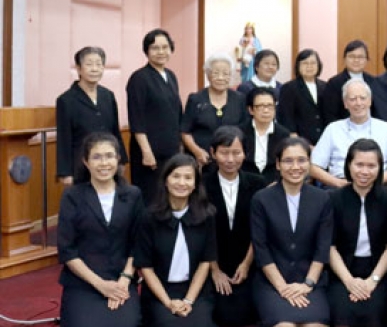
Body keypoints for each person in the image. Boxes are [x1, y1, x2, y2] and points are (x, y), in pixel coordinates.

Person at [55, 132, 144, 327]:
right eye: (96, 157)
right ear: (86, 162)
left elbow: (138, 243)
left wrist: (124, 280)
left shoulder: (133, 195)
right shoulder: (72, 196)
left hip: (121, 279)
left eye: (109, 156)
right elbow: (67, 250)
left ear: (118, 159)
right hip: (84, 281)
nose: (104, 163)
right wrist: (101, 285)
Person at [134, 154, 220, 327]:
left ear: (195, 184)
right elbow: (145, 268)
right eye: (176, 176)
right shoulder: (148, 217)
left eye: (188, 178)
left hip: (195, 291)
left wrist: (189, 300)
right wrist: (168, 303)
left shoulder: (207, 215)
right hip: (160, 292)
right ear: (165, 180)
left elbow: (205, 262)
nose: (182, 183)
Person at [250, 138, 333, 327]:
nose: (295, 167)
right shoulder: (261, 199)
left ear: (309, 163)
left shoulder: (322, 198)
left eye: (301, 160)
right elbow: (261, 248)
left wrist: (308, 284)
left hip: (308, 277)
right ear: (278, 164)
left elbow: (323, 247)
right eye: (288, 161)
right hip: (273, 280)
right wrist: (282, 287)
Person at [327, 139, 387, 327]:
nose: (365, 171)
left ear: (380, 168)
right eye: (359, 165)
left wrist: (373, 280)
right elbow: (329, 246)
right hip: (343, 269)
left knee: (375, 324)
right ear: (349, 165)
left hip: (378, 269)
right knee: (341, 324)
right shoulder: (333, 198)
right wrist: (349, 281)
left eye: (371, 166)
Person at [203, 126, 264, 327]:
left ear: (245, 153)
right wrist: (215, 270)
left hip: (248, 261)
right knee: (222, 316)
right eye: (224, 153)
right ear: (213, 153)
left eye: (236, 153)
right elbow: (202, 232)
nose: (230, 159)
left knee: (248, 314)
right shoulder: (202, 185)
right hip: (212, 262)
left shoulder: (257, 183)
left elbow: (259, 230)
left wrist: (246, 264)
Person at [311, 80, 387, 187]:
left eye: (363, 98)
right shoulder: (333, 129)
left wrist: (375, 181)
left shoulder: (386, 128)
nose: (358, 103)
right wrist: (338, 183)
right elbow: (313, 167)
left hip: (377, 186)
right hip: (341, 187)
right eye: (353, 99)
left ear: (370, 101)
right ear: (345, 103)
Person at [56, 46, 126, 186]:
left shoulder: (108, 95)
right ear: (79, 68)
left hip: (107, 163)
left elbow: (115, 130)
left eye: (99, 64)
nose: (95, 69)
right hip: (81, 164)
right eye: (89, 64)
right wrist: (65, 173)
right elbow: (64, 138)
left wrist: (121, 159)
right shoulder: (66, 100)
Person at [126, 28, 182, 204]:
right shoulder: (139, 78)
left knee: (169, 197)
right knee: (151, 199)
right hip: (149, 153)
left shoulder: (171, 76)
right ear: (146, 51)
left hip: (170, 150)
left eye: (165, 47)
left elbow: (176, 113)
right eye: (155, 48)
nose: (161, 52)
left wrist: (179, 145)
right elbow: (136, 119)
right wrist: (146, 151)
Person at [181, 53, 247, 170]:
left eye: (225, 74)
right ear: (208, 75)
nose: (220, 78)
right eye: (216, 73)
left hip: (231, 162)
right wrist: (197, 151)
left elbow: (244, 130)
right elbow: (185, 132)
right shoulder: (195, 99)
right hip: (202, 161)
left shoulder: (240, 99)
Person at [241, 86, 293, 187]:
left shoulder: (283, 134)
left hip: (274, 185)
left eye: (270, 106)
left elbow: (285, 163)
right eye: (260, 106)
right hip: (245, 184)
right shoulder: (241, 132)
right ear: (251, 110)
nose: (266, 110)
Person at [278, 48, 327, 145]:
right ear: (298, 66)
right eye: (305, 63)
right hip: (300, 140)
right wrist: (295, 138)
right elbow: (286, 116)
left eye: (313, 63)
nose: (309, 66)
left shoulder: (325, 86)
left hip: (324, 139)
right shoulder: (289, 88)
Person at [324, 39, 377, 124]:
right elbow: (330, 114)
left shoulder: (374, 81)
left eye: (360, 57)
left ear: (367, 60)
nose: (356, 60)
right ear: (344, 59)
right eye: (352, 56)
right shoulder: (334, 83)